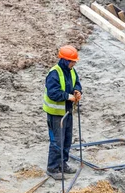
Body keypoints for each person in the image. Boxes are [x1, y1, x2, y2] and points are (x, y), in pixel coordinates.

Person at [43, 45, 82, 180]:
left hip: (67, 111)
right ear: (65, 60)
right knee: (57, 141)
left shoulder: (71, 71)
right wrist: (68, 97)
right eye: (72, 61)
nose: (74, 63)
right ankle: (52, 168)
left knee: (67, 139)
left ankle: (62, 163)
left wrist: (77, 91)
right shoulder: (54, 73)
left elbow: (76, 82)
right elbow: (53, 93)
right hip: (56, 114)